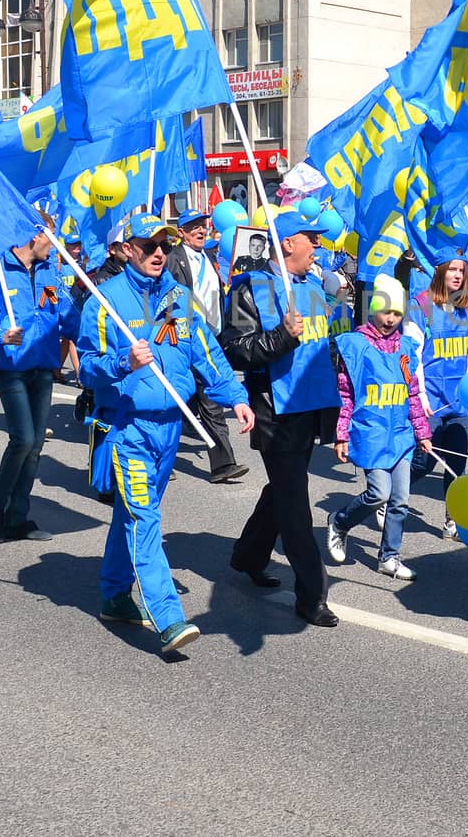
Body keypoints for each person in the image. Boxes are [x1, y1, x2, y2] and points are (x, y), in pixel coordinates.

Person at [78, 213, 254, 655]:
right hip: (126, 427)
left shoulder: (179, 297)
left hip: (170, 428)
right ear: (127, 249)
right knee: (144, 518)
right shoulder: (104, 299)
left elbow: (206, 352)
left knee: (133, 516)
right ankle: (169, 617)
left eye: (165, 245)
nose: (159, 252)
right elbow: (85, 366)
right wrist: (122, 363)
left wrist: (235, 396)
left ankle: (114, 594)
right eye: (149, 244)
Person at [221, 208, 342, 627]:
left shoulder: (311, 286)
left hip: (311, 408)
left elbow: (321, 348)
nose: (319, 244)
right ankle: (311, 595)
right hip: (275, 411)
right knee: (295, 505)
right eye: (312, 237)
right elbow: (235, 348)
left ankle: (247, 555)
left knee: (283, 491)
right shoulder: (248, 288)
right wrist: (281, 337)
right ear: (287, 242)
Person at [0, 218, 81, 544]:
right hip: (10, 370)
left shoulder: (50, 275)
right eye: (51, 240)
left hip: (42, 367)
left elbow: (68, 318)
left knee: (36, 445)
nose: (55, 247)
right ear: (35, 236)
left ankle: (18, 517)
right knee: (23, 439)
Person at [326, 275, 434, 580]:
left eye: (397, 313)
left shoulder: (407, 347)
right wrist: (341, 434)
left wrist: (422, 432)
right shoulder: (354, 345)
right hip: (370, 432)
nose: (391, 319)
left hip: (401, 434)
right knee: (379, 493)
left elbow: (412, 393)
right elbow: (346, 395)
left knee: (401, 500)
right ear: (372, 309)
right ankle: (341, 522)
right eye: (385, 311)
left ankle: (390, 556)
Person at [166, 208, 245, 484]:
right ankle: (162, 459)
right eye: (193, 227)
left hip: (210, 338)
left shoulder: (209, 258)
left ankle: (223, 464)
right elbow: (172, 300)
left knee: (209, 399)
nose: (201, 230)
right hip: (185, 339)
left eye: (203, 225)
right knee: (174, 403)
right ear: (182, 233)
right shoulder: (175, 260)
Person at [407, 250, 468, 541]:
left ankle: (452, 520)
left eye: (461, 270)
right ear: (439, 272)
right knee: (423, 463)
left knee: (457, 465)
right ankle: (387, 495)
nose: (458, 275)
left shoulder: (463, 307)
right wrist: (420, 396)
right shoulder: (419, 306)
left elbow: (466, 354)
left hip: (459, 400)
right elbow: (410, 357)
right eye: (452, 270)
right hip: (431, 401)